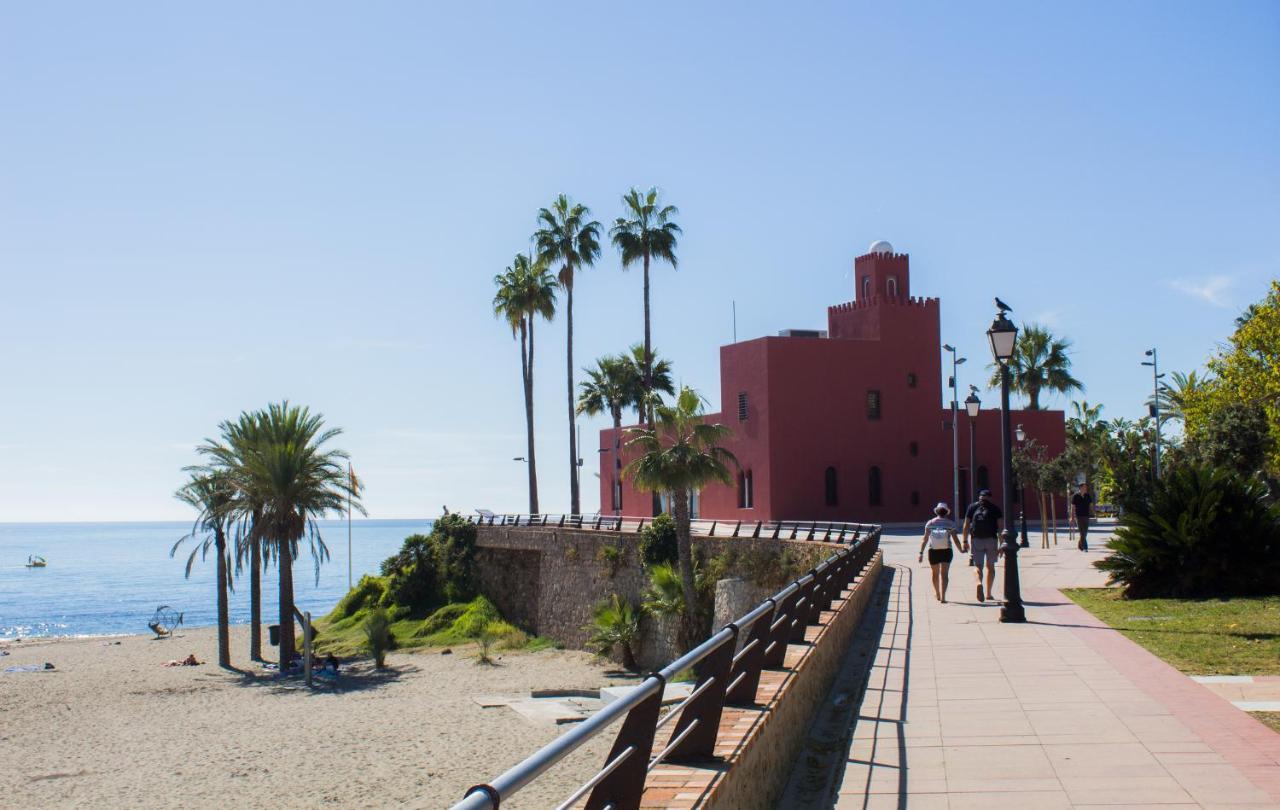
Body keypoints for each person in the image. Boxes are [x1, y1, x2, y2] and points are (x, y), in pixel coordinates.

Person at [962, 489, 1004, 602]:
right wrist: (1001, 545)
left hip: (976, 540)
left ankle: (978, 583)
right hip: (991, 540)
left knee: (977, 566)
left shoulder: (972, 507)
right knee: (990, 568)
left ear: (979, 497)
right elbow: (1000, 528)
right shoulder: (995, 509)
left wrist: (965, 541)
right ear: (990, 497)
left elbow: (966, 525)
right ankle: (989, 594)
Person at [917, 502, 964, 603]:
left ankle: (937, 593)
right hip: (947, 551)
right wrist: (961, 550)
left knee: (935, 574)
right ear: (947, 512)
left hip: (933, 551)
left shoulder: (930, 523)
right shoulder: (950, 524)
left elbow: (924, 539)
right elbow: (955, 539)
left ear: (936, 512)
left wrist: (920, 553)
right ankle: (943, 597)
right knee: (944, 574)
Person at [1071, 482, 1094, 551]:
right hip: (1078, 516)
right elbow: (1073, 507)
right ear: (1080, 488)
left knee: (1085, 532)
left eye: (1086, 487)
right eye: (1084, 487)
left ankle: (1080, 544)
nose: (1085, 488)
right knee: (1082, 532)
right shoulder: (1075, 496)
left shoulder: (1087, 495)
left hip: (1086, 516)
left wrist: (1093, 512)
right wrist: (1072, 517)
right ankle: (1085, 547)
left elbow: (1090, 505)